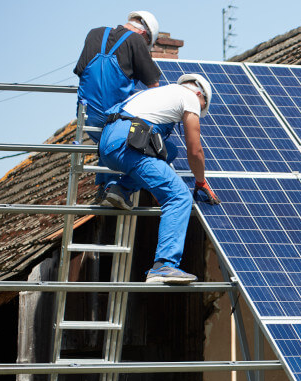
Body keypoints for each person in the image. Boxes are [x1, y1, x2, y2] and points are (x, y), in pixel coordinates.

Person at [97, 74, 219, 284]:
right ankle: (164, 266)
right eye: (202, 106)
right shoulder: (189, 97)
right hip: (129, 144)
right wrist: (200, 181)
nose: (199, 110)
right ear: (199, 94)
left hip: (111, 142)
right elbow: (195, 149)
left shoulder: (157, 94)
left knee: (169, 151)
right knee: (179, 197)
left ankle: (119, 190)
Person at [73, 11, 161, 194]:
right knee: (134, 141)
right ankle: (114, 187)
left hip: (86, 115)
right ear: (144, 34)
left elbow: (81, 71)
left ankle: (103, 188)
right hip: (113, 117)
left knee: (109, 137)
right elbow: (154, 85)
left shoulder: (94, 33)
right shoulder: (136, 41)